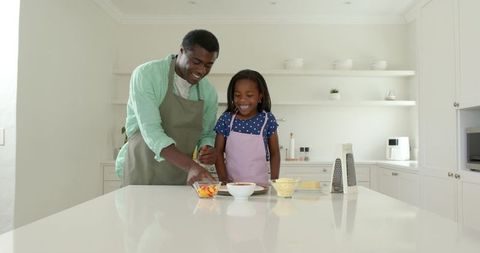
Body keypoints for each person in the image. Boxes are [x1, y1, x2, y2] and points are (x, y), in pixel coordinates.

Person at [116, 29, 220, 185]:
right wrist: (192, 166)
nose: (201, 70)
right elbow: (152, 131)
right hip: (142, 172)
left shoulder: (209, 92)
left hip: (180, 176)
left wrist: (206, 148)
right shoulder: (147, 75)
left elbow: (206, 133)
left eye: (208, 65)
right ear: (181, 51)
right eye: (196, 62)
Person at [214, 69, 280, 187]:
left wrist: (275, 182)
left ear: (260, 97)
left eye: (249, 95)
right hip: (232, 188)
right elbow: (218, 152)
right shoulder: (226, 119)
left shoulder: (267, 119)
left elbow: (275, 153)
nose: (242, 100)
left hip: (260, 187)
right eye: (237, 95)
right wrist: (223, 181)